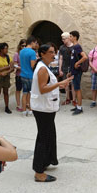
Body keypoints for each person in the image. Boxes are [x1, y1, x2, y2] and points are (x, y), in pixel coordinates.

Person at [30, 44, 73, 182]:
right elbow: (43, 89)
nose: (53, 55)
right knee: (44, 138)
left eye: (54, 52)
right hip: (43, 109)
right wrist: (60, 83)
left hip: (45, 108)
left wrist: (60, 83)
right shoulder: (42, 68)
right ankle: (39, 172)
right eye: (50, 52)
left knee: (48, 135)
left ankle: (45, 161)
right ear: (42, 54)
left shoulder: (43, 67)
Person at [0, 43, 14, 116]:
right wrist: (6, 67)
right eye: (5, 48)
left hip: (6, 77)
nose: (7, 50)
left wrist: (5, 72)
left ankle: (6, 107)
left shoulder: (9, 57)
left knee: (6, 92)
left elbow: (12, 68)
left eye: (7, 48)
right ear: (1, 49)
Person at [69, 31, 88, 115]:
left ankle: (79, 107)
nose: (70, 38)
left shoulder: (77, 46)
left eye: (71, 36)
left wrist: (77, 63)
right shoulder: (74, 47)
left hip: (77, 71)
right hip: (74, 71)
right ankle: (77, 106)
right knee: (76, 88)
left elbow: (84, 57)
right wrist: (70, 71)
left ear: (75, 37)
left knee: (77, 89)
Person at [20, 36, 38, 116]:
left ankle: (24, 111)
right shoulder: (32, 52)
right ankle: (30, 110)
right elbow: (32, 65)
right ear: (32, 42)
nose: (36, 45)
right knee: (31, 93)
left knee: (24, 93)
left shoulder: (21, 51)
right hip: (30, 75)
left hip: (23, 74)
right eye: (35, 43)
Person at [58, 32, 74, 105]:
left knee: (73, 84)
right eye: (62, 39)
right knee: (66, 84)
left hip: (72, 67)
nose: (63, 40)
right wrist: (60, 69)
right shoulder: (62, 47)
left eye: (64, 39)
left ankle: (74, 99)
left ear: (68, 38)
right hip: (64, 67)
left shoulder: (74, 47)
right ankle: (67, 98)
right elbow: (60, 58)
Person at [13, 39, 26, 111]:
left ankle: (25, 104)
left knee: (26, 90)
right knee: (18, 89)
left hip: (26, 75)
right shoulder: (17, 54)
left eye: (25, 46)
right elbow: (15, 65)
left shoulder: (28, 53)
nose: (24, 47)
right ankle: (18, 105)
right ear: (20, 46)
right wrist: (22, 68)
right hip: (19, 74)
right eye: (22, 46)